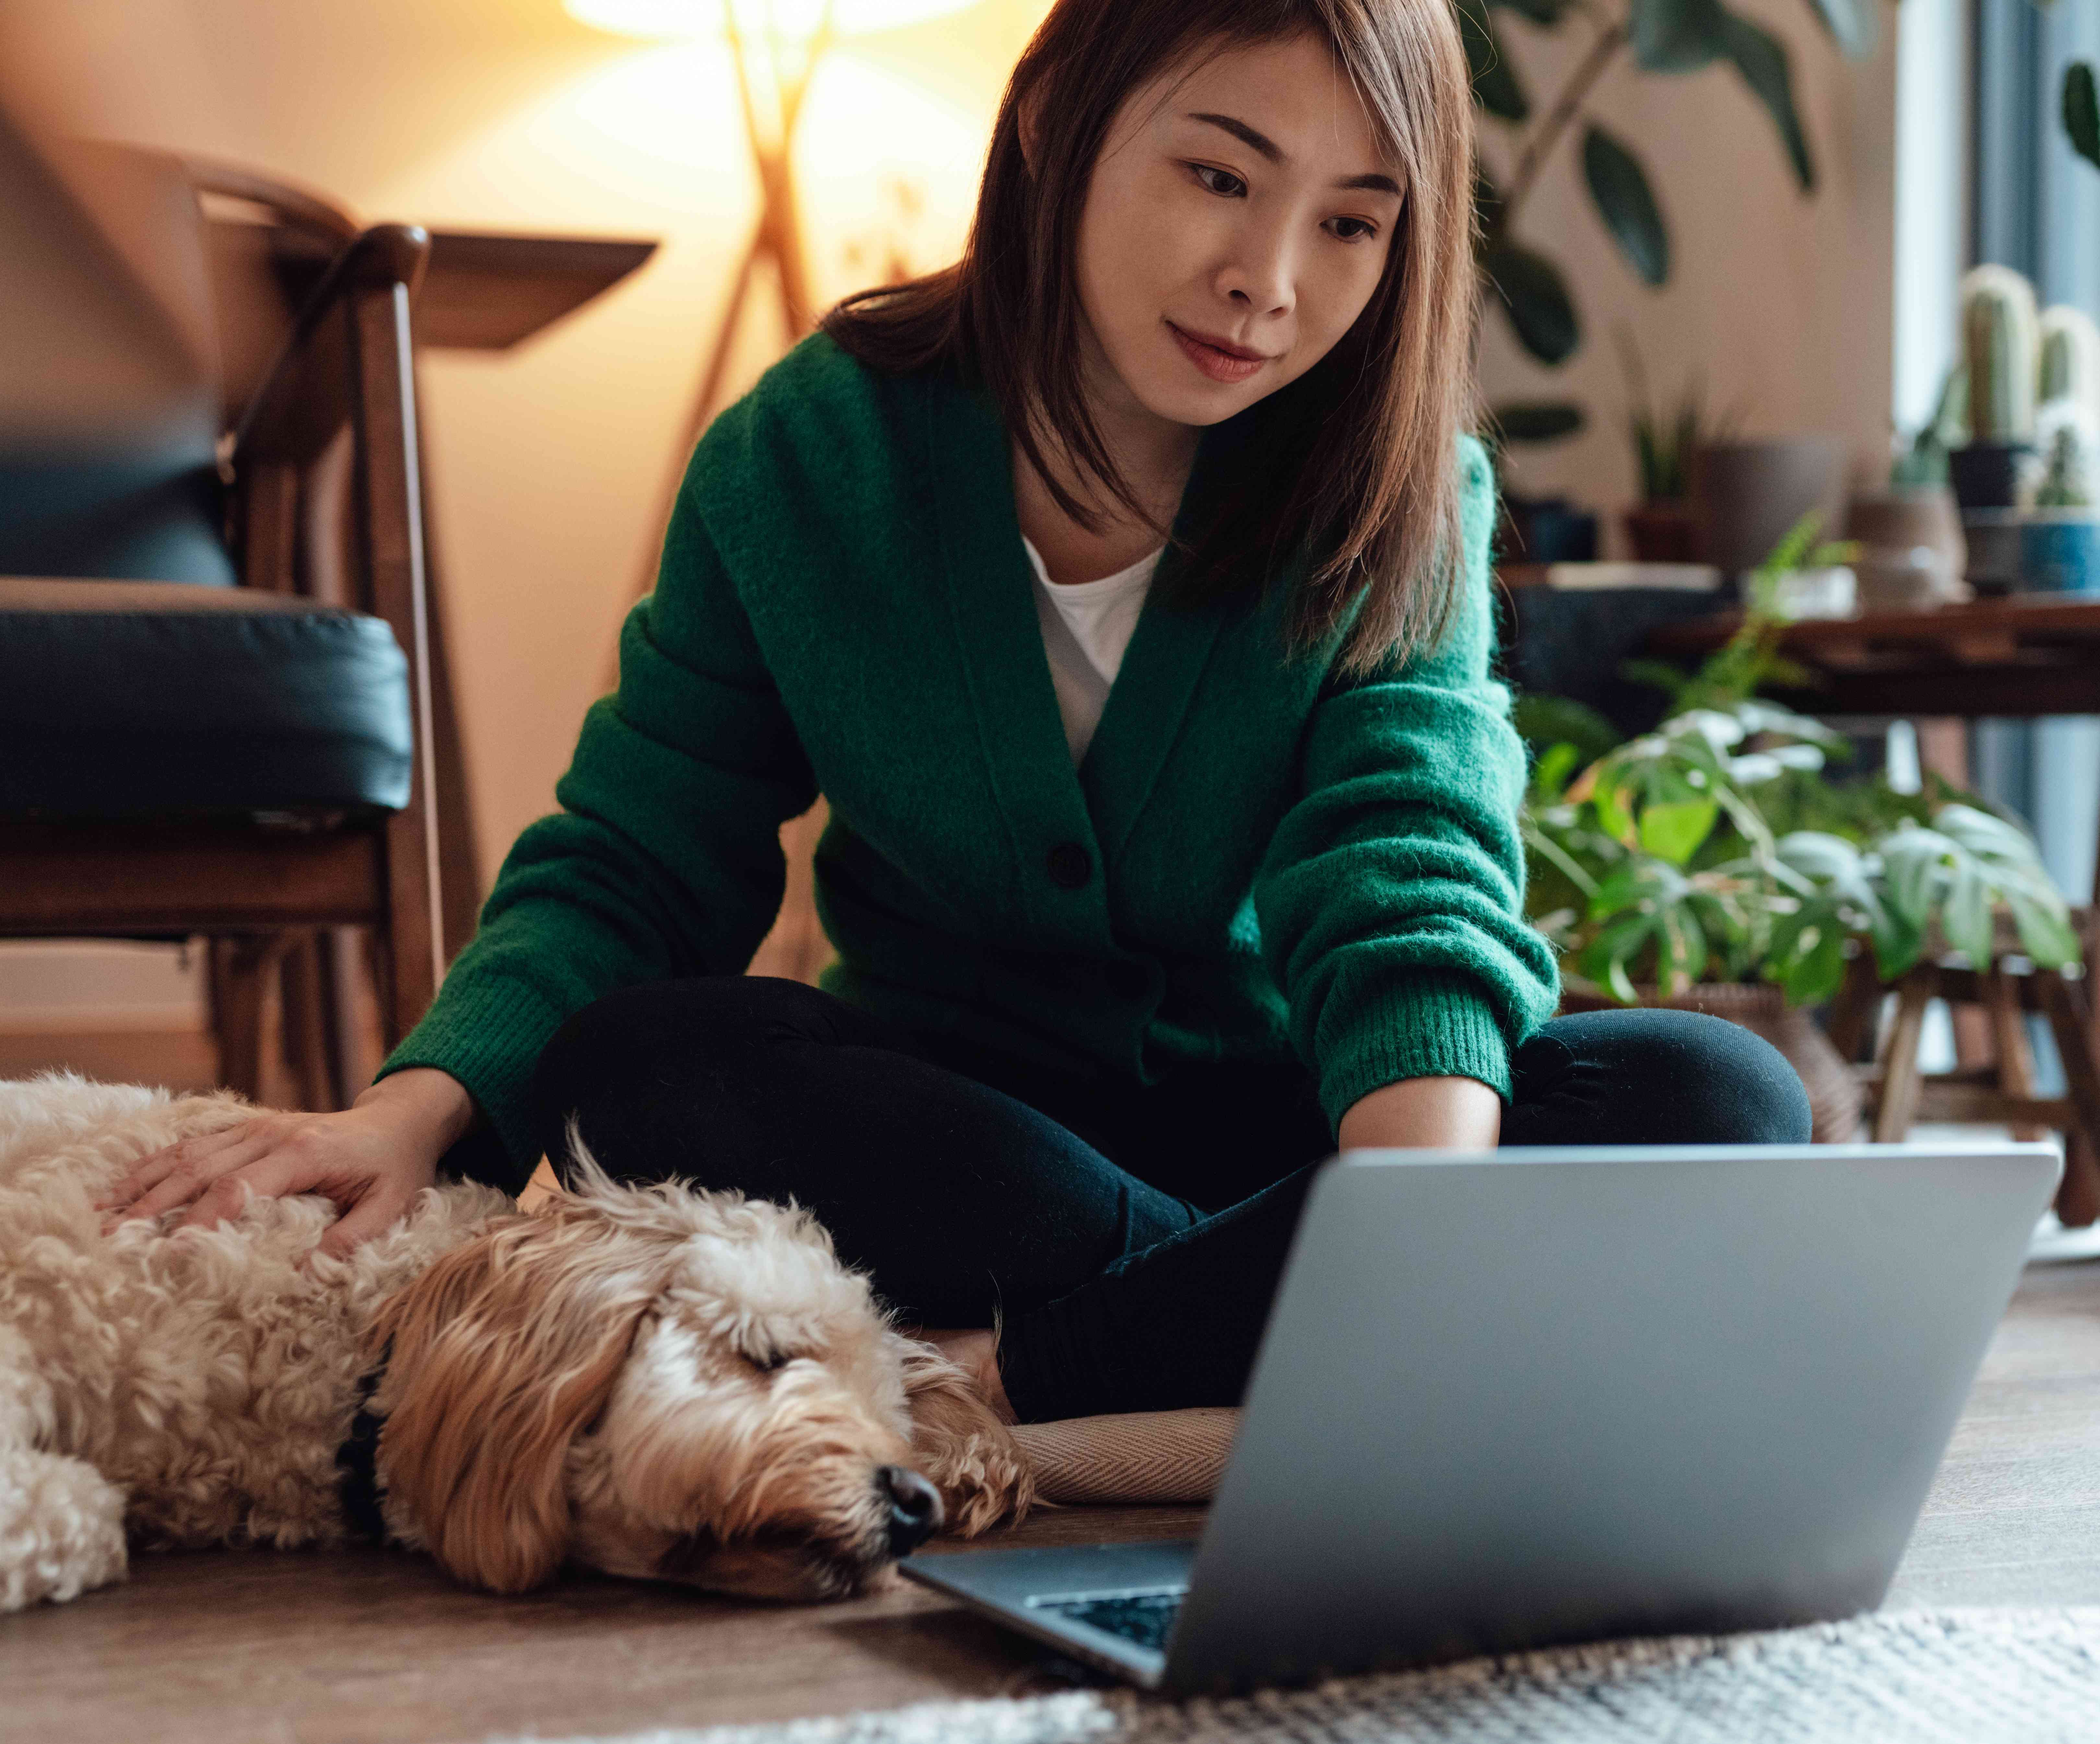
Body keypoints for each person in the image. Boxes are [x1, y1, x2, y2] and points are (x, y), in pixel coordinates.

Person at [106, 0, 1809, 1433]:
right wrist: (406, 1107)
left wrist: (1409, 1217)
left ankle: (1052, 1368)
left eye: (1351, 221)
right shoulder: (806, 459)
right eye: (1217, 173)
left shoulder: (1402, 500)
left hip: (1293, 1125)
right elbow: (637, 859)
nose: (1266, 279)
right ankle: (1271, 1326)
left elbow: (1407, 875)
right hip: (966, 1144)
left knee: (1717, 1095)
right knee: (642, 1062)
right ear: (1061, 121)